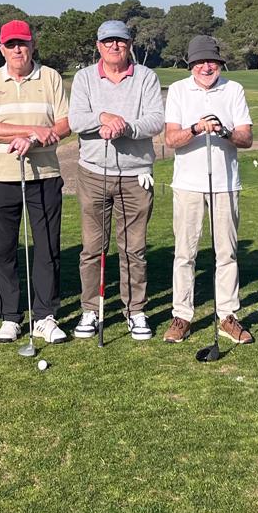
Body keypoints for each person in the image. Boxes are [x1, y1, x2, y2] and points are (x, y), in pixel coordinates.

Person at [68, 19, 165, 340]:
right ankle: (90, 310)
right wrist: (103, 119)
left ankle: (135, 311)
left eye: (120, 41)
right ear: (98, 46)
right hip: (93, 173)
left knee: (133, 248)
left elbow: (154, 121)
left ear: (129, 44)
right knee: (92, 248)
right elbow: (76, 120)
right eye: (107, 41)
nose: (114, 46)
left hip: (136, 175)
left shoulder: (146, 77)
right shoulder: (84, 78)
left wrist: (125, 127)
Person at [0, 20, 71, 345]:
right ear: (2, 48)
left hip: (44, 176)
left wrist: (36, 137)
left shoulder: (51, 77)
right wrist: (30, 132)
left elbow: (64, 123)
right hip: (0, 177)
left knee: (47, 247)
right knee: (3, 250)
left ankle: (45, 315)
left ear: (33, 45)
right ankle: (11, 317)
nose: (18, 49)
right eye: (11, 44)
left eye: (23, 43)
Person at [161, 34, 255, 344]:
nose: (206, 66)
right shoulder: (177, 90)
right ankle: (182, 316)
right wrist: (197, 128)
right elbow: (170, 139)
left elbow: (246, 137)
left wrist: (224, 131)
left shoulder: (234, 89)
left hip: (226, 185)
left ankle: (227, 315)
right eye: (200, 61)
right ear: (190, 64)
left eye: (212, 61)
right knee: (185, 253)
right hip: (187, 184)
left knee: (226, 253)